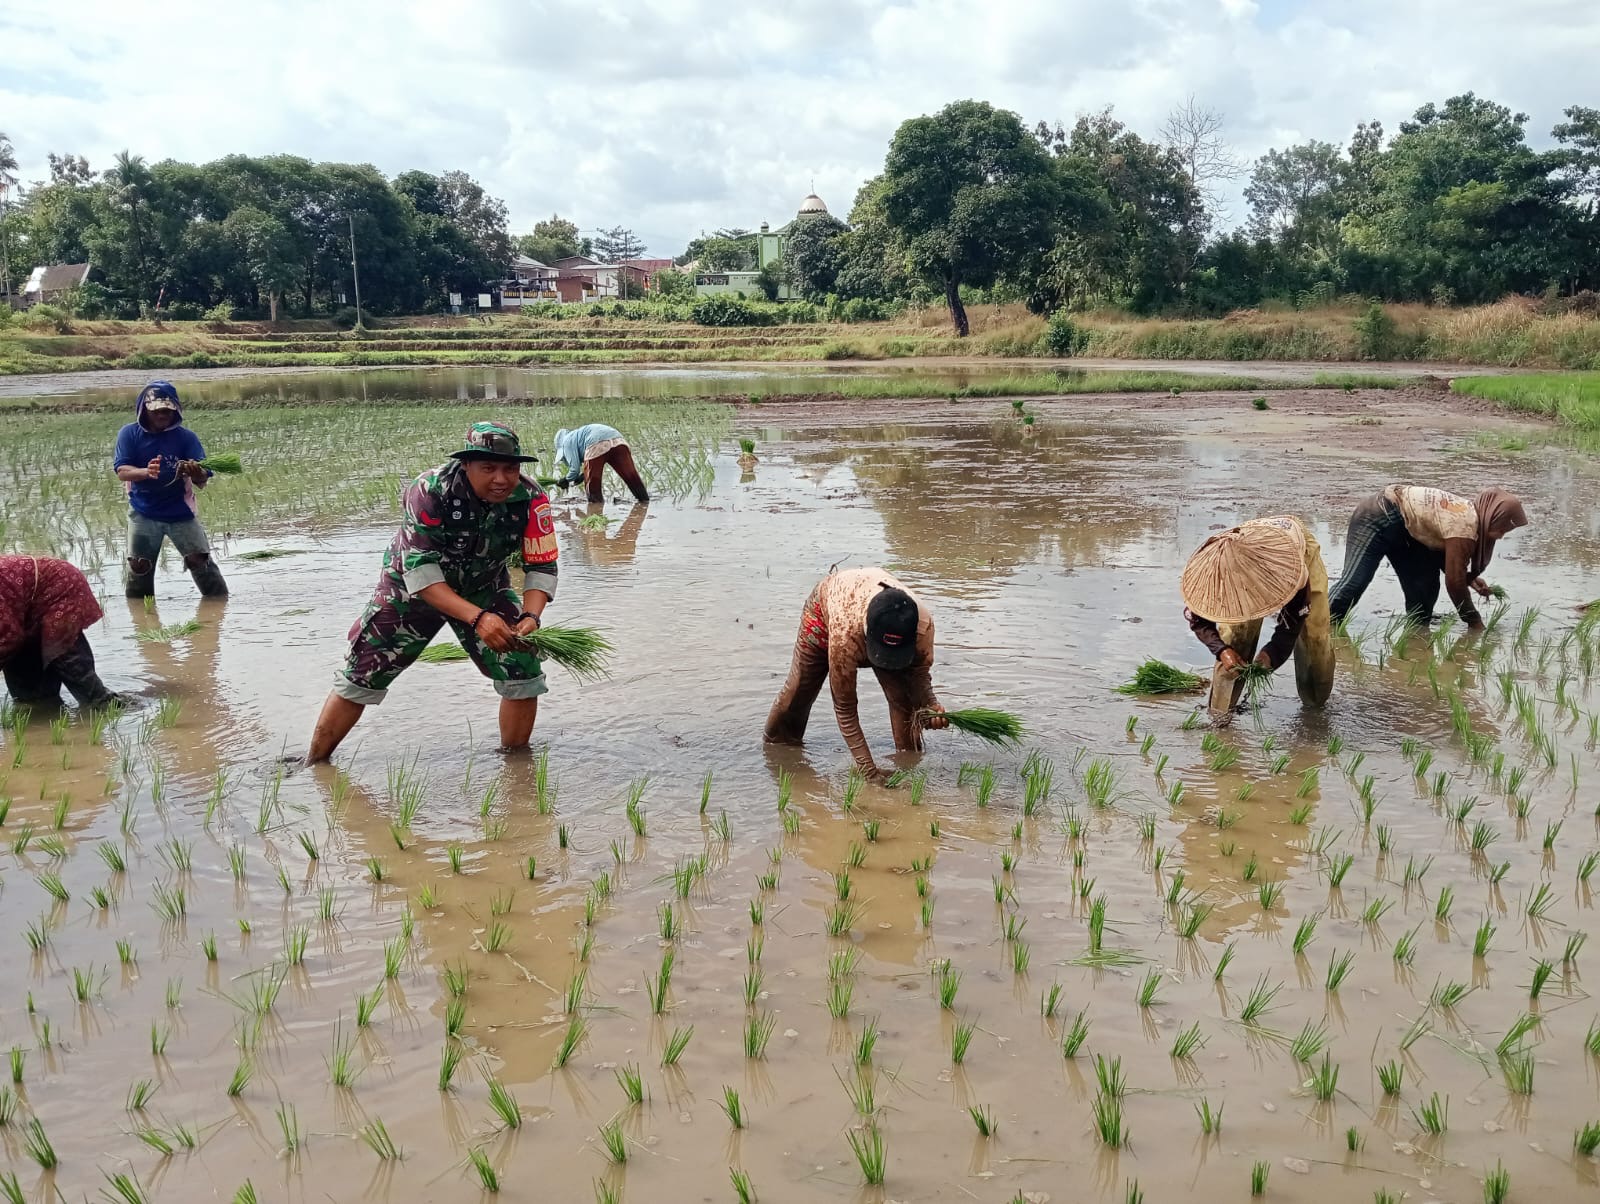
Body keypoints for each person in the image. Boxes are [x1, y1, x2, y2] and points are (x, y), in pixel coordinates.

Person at [305, 422, 560, 763]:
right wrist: (479, 618)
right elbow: (422, 574)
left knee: (523, 668)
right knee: (362, 677)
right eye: (488, 468)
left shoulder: (531, 498)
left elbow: (542, 564)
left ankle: (514, 765)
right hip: (411, 592)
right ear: (466, 465)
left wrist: (530, 616)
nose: (501, 479)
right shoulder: (431, 490)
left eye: (509, 469)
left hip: (483, 586)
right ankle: (314, 763)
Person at [764, 567, 947, 780]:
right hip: (826, 612)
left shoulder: (922, 625)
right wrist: (869, 771)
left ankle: (907, 764)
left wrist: (931, 704)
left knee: (902, 697)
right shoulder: (845, 634)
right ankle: (775, 750)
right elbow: (845, 709)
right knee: (799, 691)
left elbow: (918, 674)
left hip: (869, 613)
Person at [1181, 515, 1335, 724]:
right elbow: (1198, 620)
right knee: (1234, 640)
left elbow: (1293, 621)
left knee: (1314, 636)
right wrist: (1222, 650)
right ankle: (1220, 717)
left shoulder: (1292, 570)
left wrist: (1272, 654)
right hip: (1242, 544)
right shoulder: (1209, 573)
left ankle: (1315, 711)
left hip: (1293, 547)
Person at [1328, 485, 1528, 631]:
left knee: (1424, 590)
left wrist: (1471, 579)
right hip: (1377, 515)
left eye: (1506, 531)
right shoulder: (1464, 525)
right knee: (1354, 583)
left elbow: (1450, 565)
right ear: (1491, 515)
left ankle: (1415, 640)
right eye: (1501, 528)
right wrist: (1473, 621)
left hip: (1408, 532)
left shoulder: (1470, 520)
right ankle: (1314, 624)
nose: (1501, 536)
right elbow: (1454, 582)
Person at [113, 381, 228, 598]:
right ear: (144, 409)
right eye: (157, 410)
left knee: (199, 560)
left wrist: (196, 471)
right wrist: (146, 472)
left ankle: (218, 605)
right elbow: (122, 471)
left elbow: (203, 478)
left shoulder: (186, 438)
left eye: (167, 409)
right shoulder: (129, 434)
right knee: (139, 566)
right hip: (143, 511)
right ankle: (142, 617)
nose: (163, 414)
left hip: (180, 512)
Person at [0, 555, 129, 708]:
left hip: (61, 588)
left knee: (68, 660)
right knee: (31, 697)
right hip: (26, 610)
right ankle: (44, 713)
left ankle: (108, 705)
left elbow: (8, 637)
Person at [553, 424, 649, 504]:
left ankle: (595, 512)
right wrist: (583, 475)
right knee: (632, 477)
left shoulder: (566, 442)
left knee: (592, 488)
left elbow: (574, 469)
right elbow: (597, 462)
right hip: (619, 440)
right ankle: (644, 502)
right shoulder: (578, 435)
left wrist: (566, 480)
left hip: (595, 444)